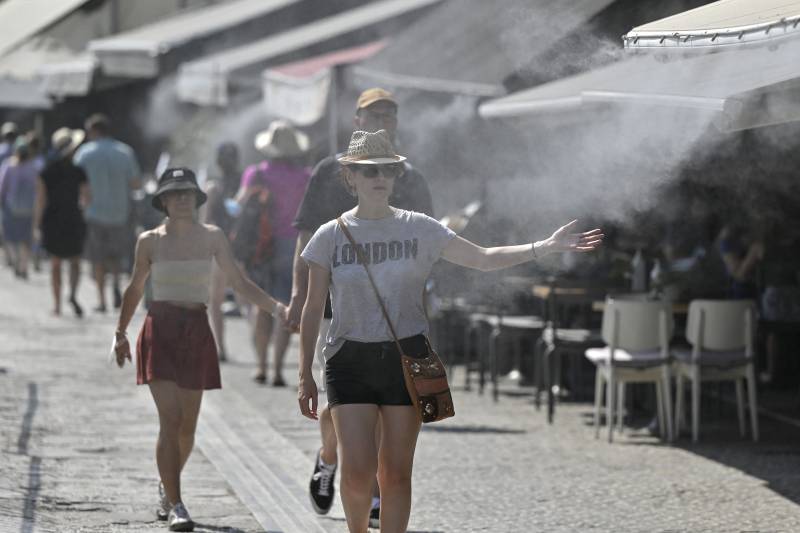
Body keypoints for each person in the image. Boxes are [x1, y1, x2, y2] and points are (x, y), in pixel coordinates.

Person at [297, 129, 603, 533]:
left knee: (395, 475)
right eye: (368, 170)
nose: (379, 178)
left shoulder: (420, 228)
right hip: (347, 359)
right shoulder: (329, 235)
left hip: (406, 357)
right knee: (357, 472)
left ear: (396, 176)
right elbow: (313, 305)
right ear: (350, 177)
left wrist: (544, 246)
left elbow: (483, 258)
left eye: (387, 170)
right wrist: (305, 375)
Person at [113, 167, 288, 532]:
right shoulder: (149, 240)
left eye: (187, 194)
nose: (181, 199)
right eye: (174, 194)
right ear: (162, 200)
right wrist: (120, 333)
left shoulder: (212, 237)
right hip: (159, 329)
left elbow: (238, 282)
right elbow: (134, 289)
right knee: (170, 420)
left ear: (196, 199)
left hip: (195, 329)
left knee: (188, 428)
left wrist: (276, 308)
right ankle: (177, 504)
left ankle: (167, 484)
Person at [289, 88, 433, 525]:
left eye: (390, 113)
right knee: (337, 405)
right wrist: (299, 293)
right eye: (375, 114)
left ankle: (370, 493)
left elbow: (427, 248)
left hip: (392, 316)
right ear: (356, 120)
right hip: (339, 304)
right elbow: (306, 235)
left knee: (374, 417)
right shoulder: (330, 172)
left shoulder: (410, 177)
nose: (383, 120)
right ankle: (329, 457)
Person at [237, 120, 310, 385]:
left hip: (262, 247)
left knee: (261, 307)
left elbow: (240, 206)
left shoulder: (256, 174)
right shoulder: (305, 176)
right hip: (295, 246)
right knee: (287, 308)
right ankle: (279, 369)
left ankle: (261, 366)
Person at [74, 113, 141, 312]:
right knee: (116, 255)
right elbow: (136, 183)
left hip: (94, 213)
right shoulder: (125, 152)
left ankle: (102, 300)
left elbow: (76, 182)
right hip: (120, 212)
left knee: (98, 258)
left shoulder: (84, 153)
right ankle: (116, 287)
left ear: (93, 131)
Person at [33, 127, 89, 316]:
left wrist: (37, 224)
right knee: (75, 261)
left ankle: (57, 305)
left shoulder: (46, 171)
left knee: (55, 264)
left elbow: (41, 200)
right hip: (73, 218)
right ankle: (72, 293)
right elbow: (87, 197)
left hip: (53, 219)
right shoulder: (78, 171)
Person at [203, 142, 243, 362]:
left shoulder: (213, 187)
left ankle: (221, 349)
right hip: (243, 249)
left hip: (220, 249)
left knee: (216, 300)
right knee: (247, 299)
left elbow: (207, 222)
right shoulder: (246, 182)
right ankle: (262, 352)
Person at [0, 136, 39, 278]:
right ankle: (23, 264)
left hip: (11, 206)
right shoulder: (33, 167)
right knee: (25, 238)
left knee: (11, 236)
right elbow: (37, 188)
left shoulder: (8, 166)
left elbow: (2, 187)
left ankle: (16, 261)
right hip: (28, 207)